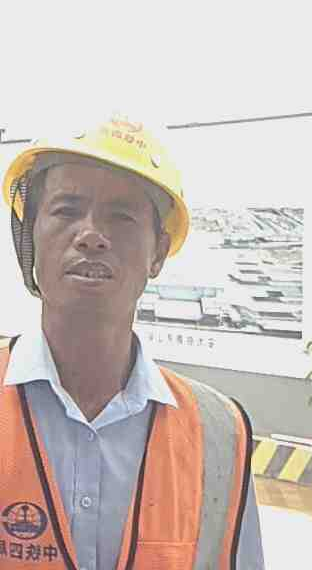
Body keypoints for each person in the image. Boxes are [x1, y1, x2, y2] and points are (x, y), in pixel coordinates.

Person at [0, 116, 266, 570]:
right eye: (66, 210)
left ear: (158, 252)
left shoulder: (219, 433)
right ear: (29, 236)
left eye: (121, 216)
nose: (90, 236)